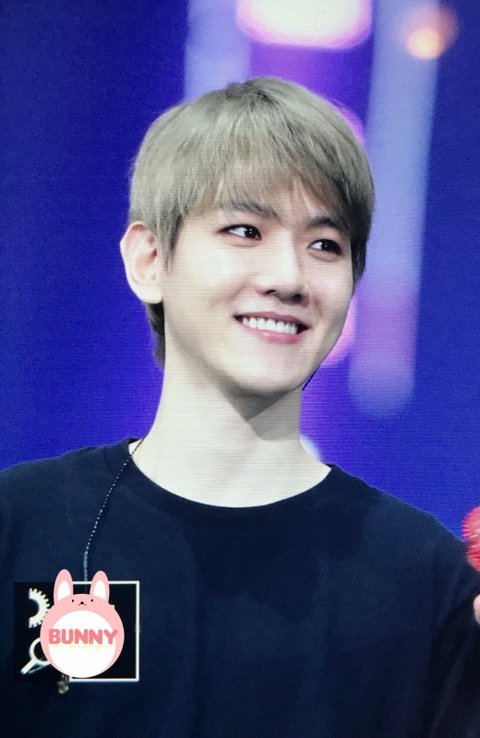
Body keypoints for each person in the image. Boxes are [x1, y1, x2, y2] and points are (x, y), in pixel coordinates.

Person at [1, 76, 479, 737]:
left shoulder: (423, 578)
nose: (288, 277)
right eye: (245, 230)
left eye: (325, 244)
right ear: (150, 259)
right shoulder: (21, 526)